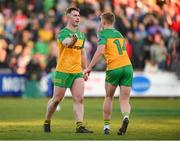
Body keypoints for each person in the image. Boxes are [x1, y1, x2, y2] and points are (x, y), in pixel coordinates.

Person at [43, 7, 93, 133]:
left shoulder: (81, 34)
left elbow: (82, 52)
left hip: (77, 71)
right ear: (68, 17)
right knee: (56, 100)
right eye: (75, 15)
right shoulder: (63, 33)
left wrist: (86, 69)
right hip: (63, 71)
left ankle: (79, 126)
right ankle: (47, 121)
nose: (77, 18)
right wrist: (72, 40)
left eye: (78, 15)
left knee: (79, 98)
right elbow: (67, 43)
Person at [84, 12, 133, 135]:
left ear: (104, 22)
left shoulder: (102, 34)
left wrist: (89, 67)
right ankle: (126, 117)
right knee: (125, 100)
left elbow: (100, 50)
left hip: (114, 67)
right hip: (127, 66)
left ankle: (106, 127)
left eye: (100, 20)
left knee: (109, 97)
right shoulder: (119, 34)